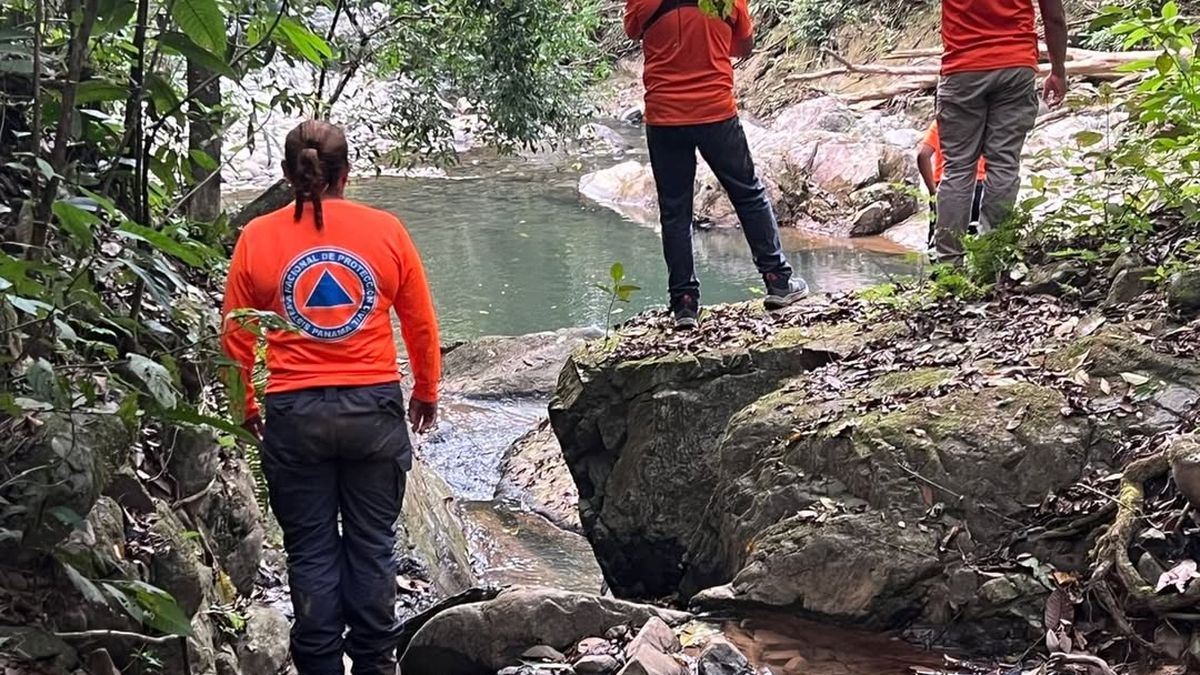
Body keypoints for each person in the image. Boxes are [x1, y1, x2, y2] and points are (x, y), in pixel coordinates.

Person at [221, 120, 441, 675]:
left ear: (288, 173)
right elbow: (418, 321)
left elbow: (236, 335)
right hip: (373, 410)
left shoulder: (256, 237)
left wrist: (244, 404)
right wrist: (427, 389)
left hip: (296, 416)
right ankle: (375, 664)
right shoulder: (385, 230)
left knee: (311, 550)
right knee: (372, 545)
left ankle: (318, 666)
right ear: (347, 172)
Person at [624, 0, 808, 331]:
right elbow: (743, 47)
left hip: (665, 116)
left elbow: (632, 30)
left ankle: (684, 304)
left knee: (675, 211)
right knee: (748, 194)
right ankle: (778, 281)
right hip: (716, 112)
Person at [934, 0, 1068, 261]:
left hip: (962, 67)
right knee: (1004, 163)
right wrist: (1058, 71)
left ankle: (949, 266)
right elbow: (1054, 18)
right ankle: (991, 258)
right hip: (1015, 66)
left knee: (958, 168)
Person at [917, 120, 987, 249]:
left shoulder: (942, 122)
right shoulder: (985, 120)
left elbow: (923, 155)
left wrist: (933, 191)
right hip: (980, 186)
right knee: (977, 243)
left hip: (947, 185)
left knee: (940, 245)